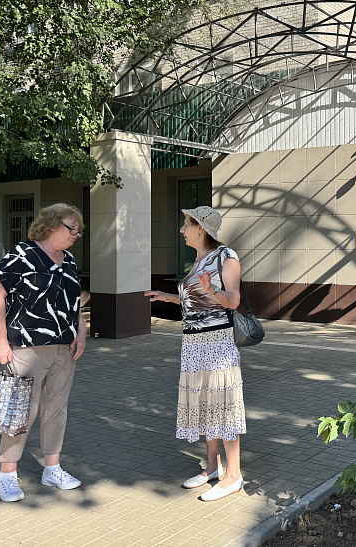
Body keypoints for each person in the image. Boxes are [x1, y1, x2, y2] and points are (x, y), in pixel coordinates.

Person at [145, 206, 246, 501]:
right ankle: (213, 467)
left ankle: (234, 476)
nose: (182, 230)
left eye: (186, 224)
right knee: (204, 405)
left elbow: (233, 300)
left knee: (222, 406)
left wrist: (212, 290)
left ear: (200, 228)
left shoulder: (226, 256)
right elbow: (196, 299)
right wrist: (168, 297)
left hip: (217, 343)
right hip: (193, 344)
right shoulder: (199, 259)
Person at [0, 203, 87, 502]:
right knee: (20, 411)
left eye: (78, 230)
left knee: (57, 408)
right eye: (71, 228)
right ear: (51, 225)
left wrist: (81, 330)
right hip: (27, 348)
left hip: (64, 348)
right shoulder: (23, 254)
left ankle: (52, 469)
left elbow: (73, 301)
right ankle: (6, 475)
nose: (76, 234)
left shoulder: (68, 260)